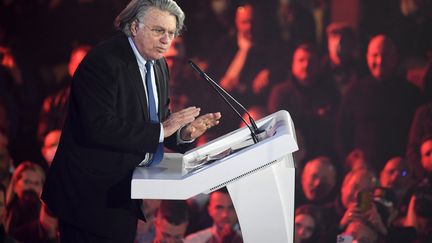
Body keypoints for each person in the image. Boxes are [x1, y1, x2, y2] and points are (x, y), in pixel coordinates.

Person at [41, 0, 221, 242]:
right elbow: (99, 127)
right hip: (89, 199)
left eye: (171, 33)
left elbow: (156, 121)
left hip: (124, 193)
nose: (166, 40)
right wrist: (163, 129)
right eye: (158, 31)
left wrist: (183, 134)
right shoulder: (103, 63)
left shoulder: (159, 65)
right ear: (135, 26)